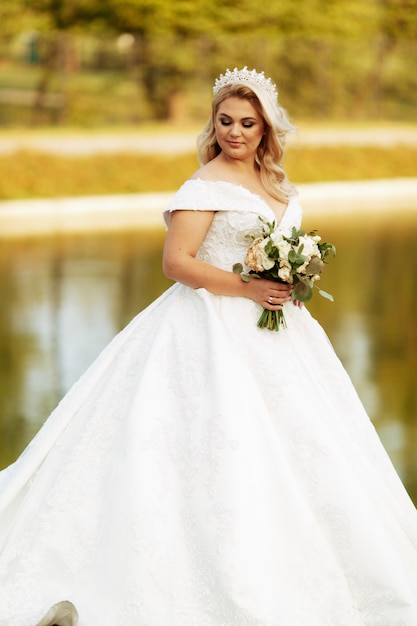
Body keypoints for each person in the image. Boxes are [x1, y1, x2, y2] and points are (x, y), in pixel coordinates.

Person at [0, 67, 416, 626]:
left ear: (266, 129)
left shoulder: (277, 185)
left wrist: (289, 281)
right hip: (210, 327)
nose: (235, 133)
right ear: (213, 123)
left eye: (248, 123)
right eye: (225, 121)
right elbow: (178, 264)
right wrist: (249, 285)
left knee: (303, 447)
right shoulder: (204, 187)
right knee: (216, 442)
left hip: (280, 332)